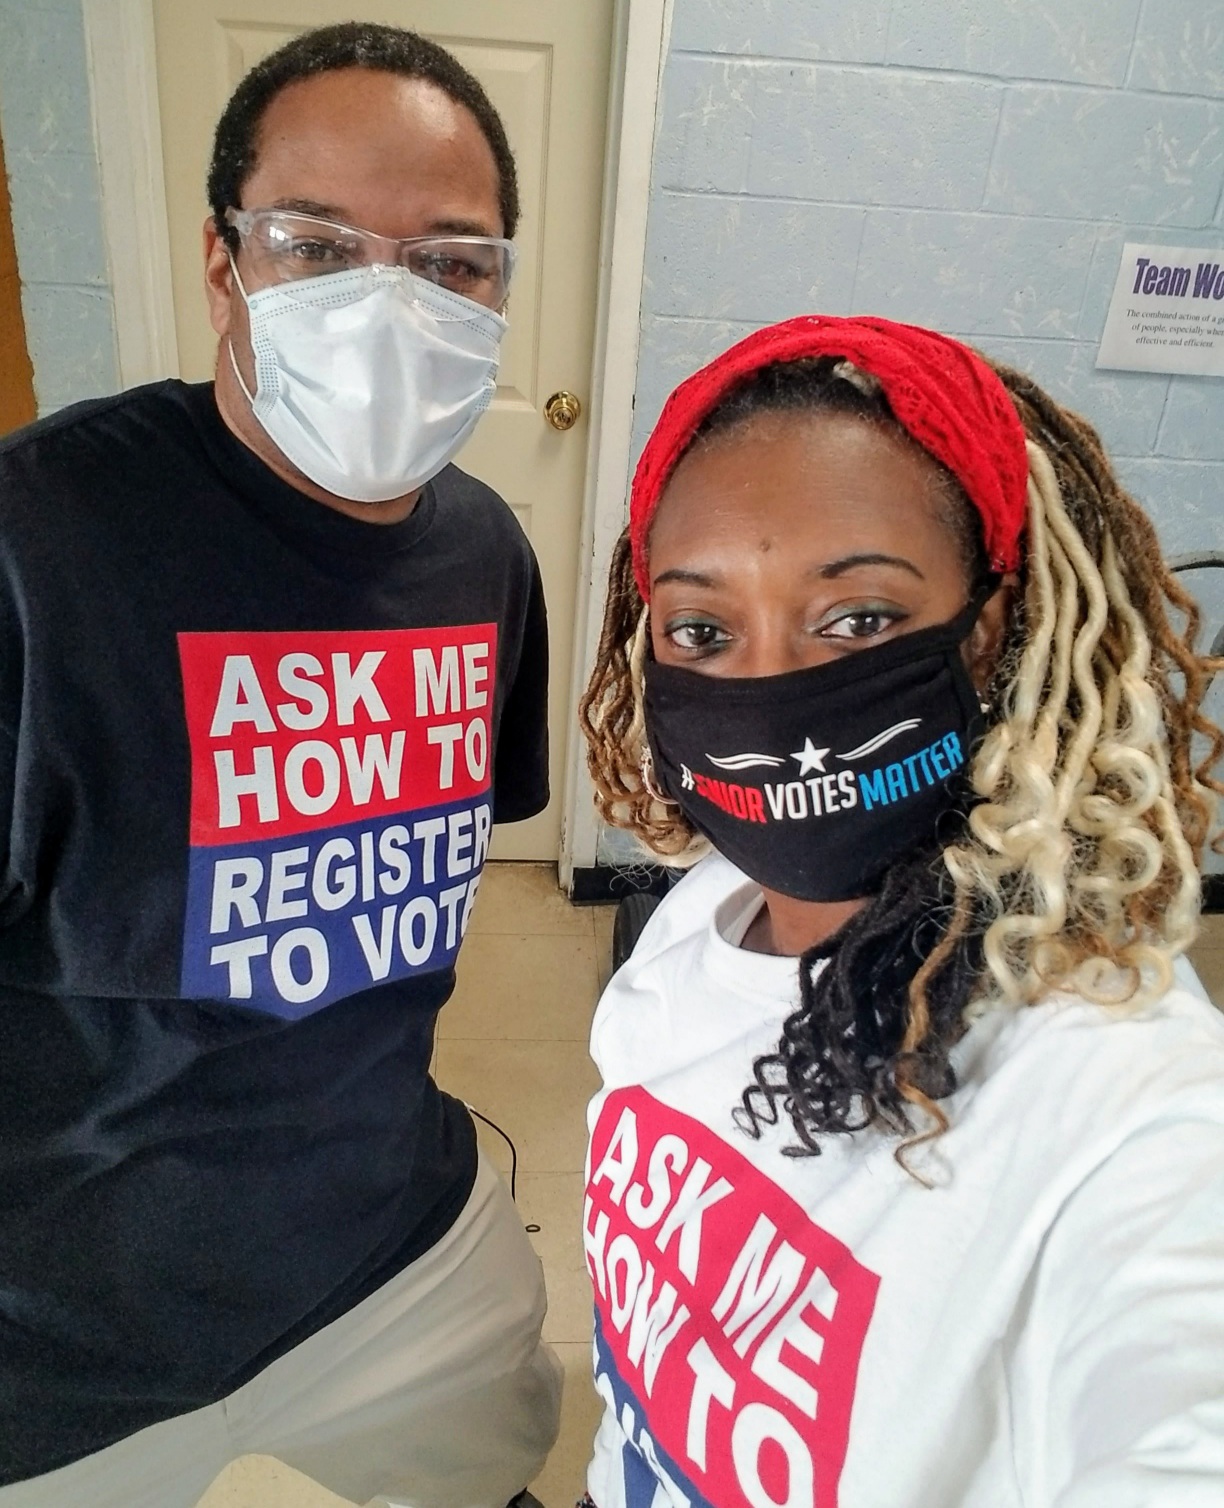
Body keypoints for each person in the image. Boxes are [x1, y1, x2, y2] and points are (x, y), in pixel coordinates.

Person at [0, 22, 561, 1508]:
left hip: (393, 1237)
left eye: (451, 262)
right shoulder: (35, 544)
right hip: (55, 1331)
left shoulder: (484, 556)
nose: (390, 304)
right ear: (223, 265)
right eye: (316, 247)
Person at [577, 314, 1224, 1507]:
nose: (772, 686)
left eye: (858, 618)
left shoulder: (1126, 1101)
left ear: (988, 629)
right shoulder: (701, 917)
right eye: (703, 630)